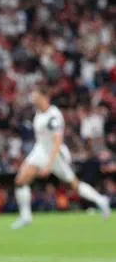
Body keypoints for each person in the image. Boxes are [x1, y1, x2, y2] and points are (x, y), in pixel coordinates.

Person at [12, 85, 110, 228]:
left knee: (74, 184)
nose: (33, 98)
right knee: (20, 181)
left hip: (55, 153)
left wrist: (49, 165)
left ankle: (101, 200)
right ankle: (26, 217)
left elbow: (57, 141)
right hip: (39, 151)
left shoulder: (53, 115)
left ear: (44, 97)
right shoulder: (39, 113)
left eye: (36, 95)